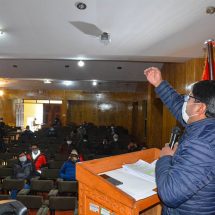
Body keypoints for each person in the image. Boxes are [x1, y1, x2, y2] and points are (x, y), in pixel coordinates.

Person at [144, 67, 215, 215]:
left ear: (200, 108)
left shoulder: (202, 145)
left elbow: (169, 194)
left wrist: (165, 158)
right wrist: (159, 83)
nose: (186, 101)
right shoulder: (205, 126)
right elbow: (177, 105)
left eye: (190, 98)